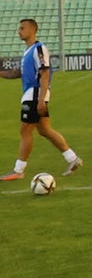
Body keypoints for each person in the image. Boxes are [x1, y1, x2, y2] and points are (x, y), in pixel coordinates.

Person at [0, 18, 82, 181]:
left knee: (25, 131)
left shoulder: (38, 48)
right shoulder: (27, 52)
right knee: (44, 130)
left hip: (35, 94)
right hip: (32, 94)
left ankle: (19, 170)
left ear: (32, 30)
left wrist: (41, 99)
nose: (19, 31)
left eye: (22, 28)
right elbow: (17, 73)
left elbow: (45, 73)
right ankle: (73, 159)